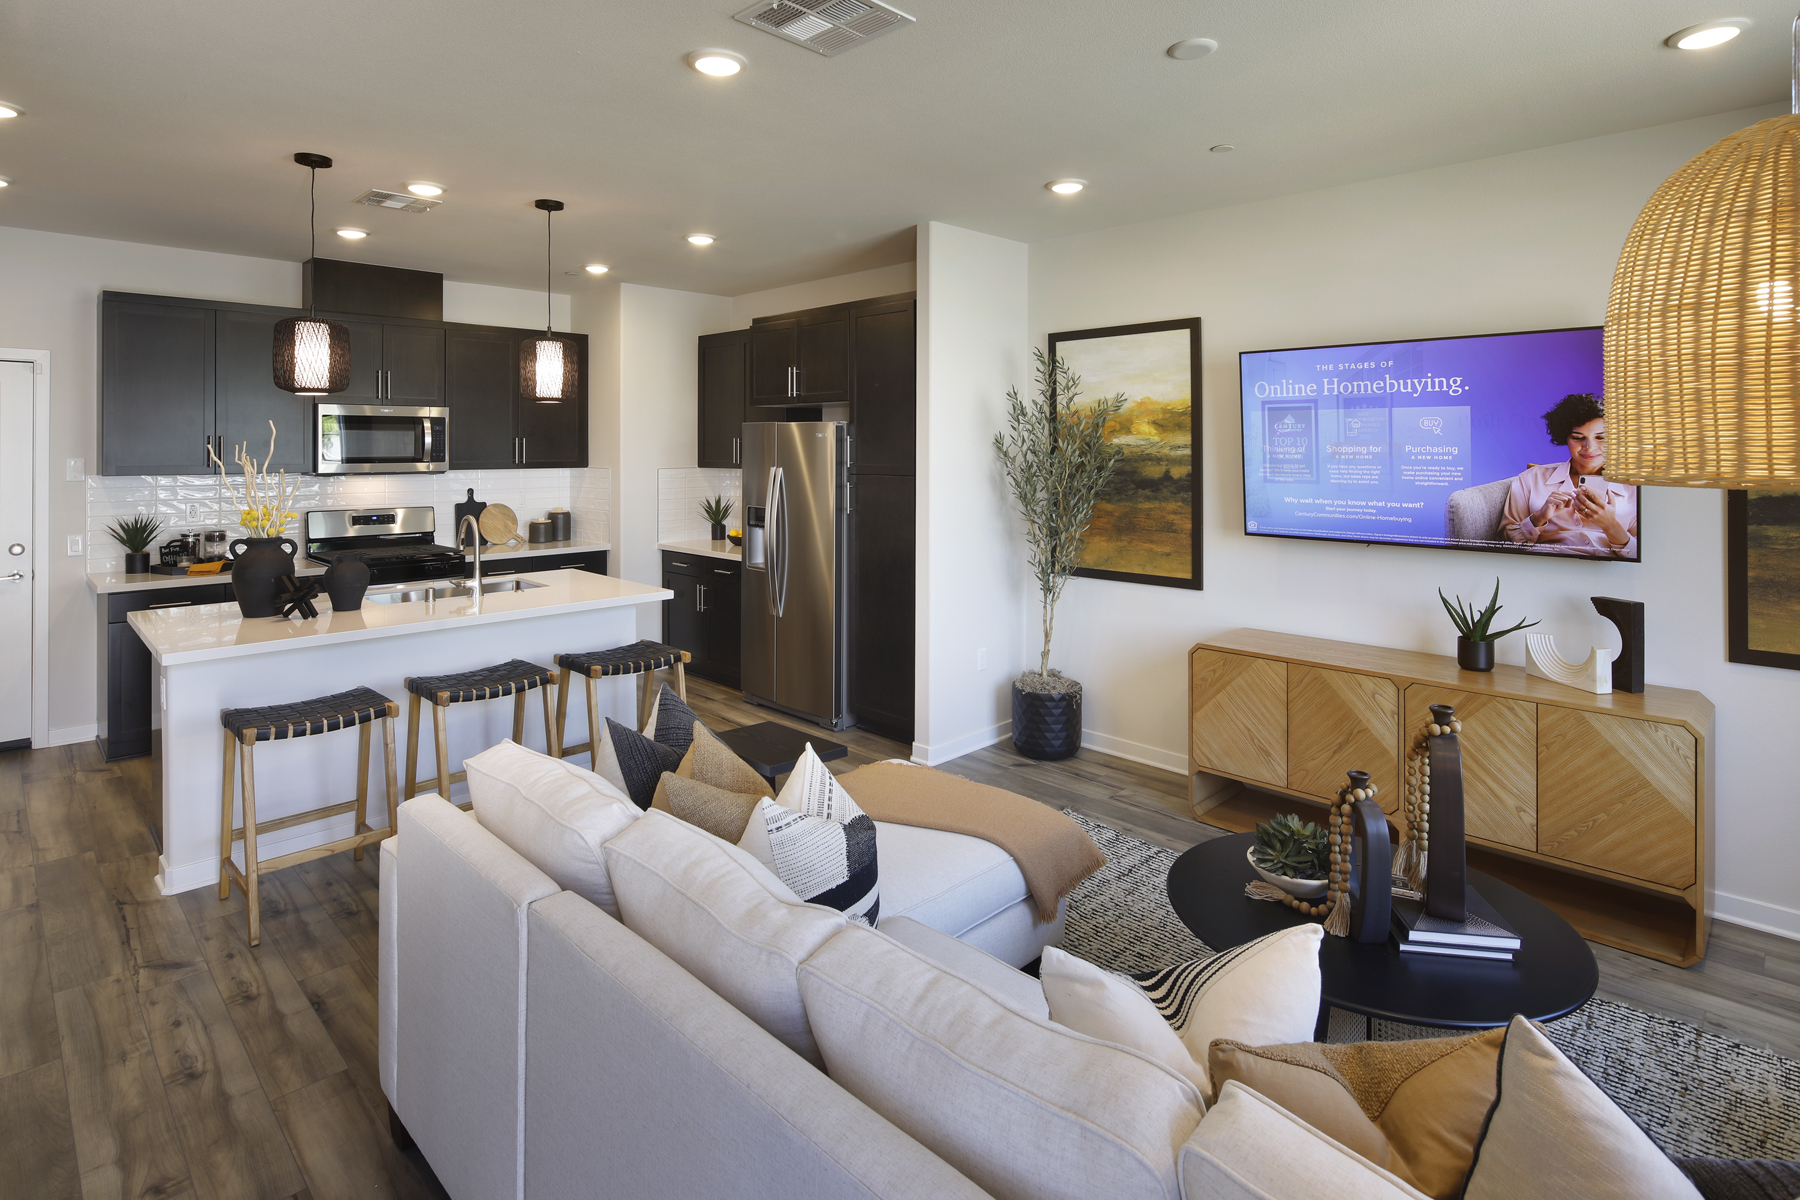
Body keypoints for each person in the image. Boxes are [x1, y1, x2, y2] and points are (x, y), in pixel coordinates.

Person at [1500, 394, 1638, 558]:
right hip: (1542, 567)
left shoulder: (1634, 487)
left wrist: (1611, 525)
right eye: (1578, 438)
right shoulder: (1531, 479)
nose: (1590, 447)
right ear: (1564, 437)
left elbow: (1649, 558)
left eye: (1601, 437)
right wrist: (1538, 518)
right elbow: (1503, 544)